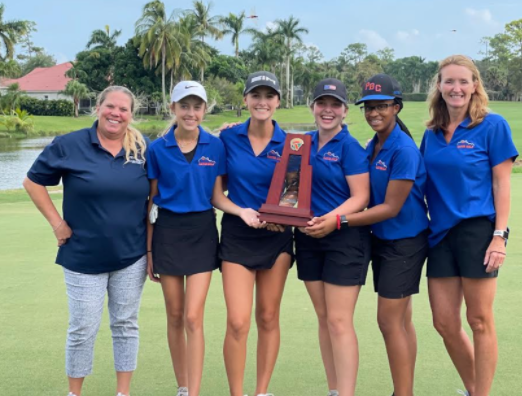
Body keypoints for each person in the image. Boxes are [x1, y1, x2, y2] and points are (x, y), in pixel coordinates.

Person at [23, 86, 149, 396]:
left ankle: (123, 392)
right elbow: (32, 181)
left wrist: (225, 132)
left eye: (123, 109)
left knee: (125, 325)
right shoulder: (69, 145)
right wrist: (57, 224)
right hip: (82, 256)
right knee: (82, 330)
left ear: (131, 114)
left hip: (130, 256)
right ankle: (74, 392)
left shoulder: (144, 148)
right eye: (110, 106)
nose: (116, 113)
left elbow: (182, 144)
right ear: (98, 107)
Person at [146, 81, 258, 396]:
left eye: (197, 107)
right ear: (173, 109)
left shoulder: (216, 145)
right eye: (184, 106)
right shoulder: (158, 149)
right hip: (167, 233)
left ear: (204, 110)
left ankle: (192, 392)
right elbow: (151, 203)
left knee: (194, 316)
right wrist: (149, 250)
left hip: (202, 232)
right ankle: (182, 385)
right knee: (176, 314)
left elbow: (216, 196)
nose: (191, 113)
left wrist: (241, 211)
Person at [319, 74, 428, 396]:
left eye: (381, 106)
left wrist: (340, 221)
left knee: (389, 321)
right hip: (382, 240)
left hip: (404, 241)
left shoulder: (403, 149)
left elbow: (391, 207)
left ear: (396, 107)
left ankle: (403, 393)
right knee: (401, 321)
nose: (373, 113)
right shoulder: (373, 144)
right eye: (368, 107)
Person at [420, 55, 518, 396]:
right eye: (449, 81)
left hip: (478, 232)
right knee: (445, 323)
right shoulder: (431, 133)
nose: (456, 88)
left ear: (475, 85)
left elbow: (502, 184)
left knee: (479, 320)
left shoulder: (493, 125)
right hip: (441, 234)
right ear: (439, 86)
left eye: (463, 81)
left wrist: (499, 236)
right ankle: (473, 388)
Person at [218, 71, 293, 396]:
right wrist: (241, 211)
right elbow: (216, 194)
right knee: (237, 321)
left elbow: (294, 195)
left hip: (277, 237)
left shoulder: (292, 143)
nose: (262, 102)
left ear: (278, 101)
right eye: (256, 96)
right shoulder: (226, 138)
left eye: (269, 96)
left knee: (267, 316)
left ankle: (261, 391)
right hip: (237, 233)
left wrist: (283, 216)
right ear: (246, 100)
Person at [295, 78, 371, 396]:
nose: (328, 110)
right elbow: (290, 188)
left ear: (344, 110)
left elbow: (360, 197)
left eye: (335, 104)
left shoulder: (350, 147)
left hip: (344, 239)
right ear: (313, 107)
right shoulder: (301, 143)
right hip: (309, 238)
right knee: (324, 318)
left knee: (339, 320)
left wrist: (332, 220)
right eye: (322, 103)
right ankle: (334, 389)